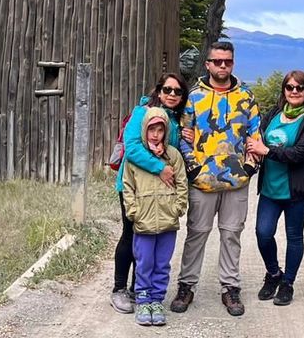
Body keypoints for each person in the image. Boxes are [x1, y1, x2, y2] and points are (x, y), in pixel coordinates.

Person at [171, 40, 261, 317]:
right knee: (196, 234)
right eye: (217, 61)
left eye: (228, 61)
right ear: (208, 64)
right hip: (203, 181)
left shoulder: (246, 97)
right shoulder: (194, 97)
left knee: (231, 235)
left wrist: (248, 167)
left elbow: (254, 137)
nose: (223, 65)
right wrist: (194, 168)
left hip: (236, 182)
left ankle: (230, 287)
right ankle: (186, 285)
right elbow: (183, 136)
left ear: (233, 63)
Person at [111, 73, 189, 314]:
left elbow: (172, 153)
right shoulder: (141, 112)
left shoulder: (174, 121)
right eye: (168, 89)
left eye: (178, 91)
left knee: (150, 243)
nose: (172, 94)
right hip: (135, 187)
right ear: (159, 90)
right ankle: (120, 289)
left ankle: (140, 288)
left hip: (161, 193)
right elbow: (132, 148)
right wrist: (160, 169)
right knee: (131, 235)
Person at [245, 70, 304, 306]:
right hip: (270, 188)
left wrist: (266, 151)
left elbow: (299, 154)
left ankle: (287, 283)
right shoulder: (274, 115)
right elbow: (255, 138)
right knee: (263, 233)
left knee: (294, 236)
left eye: (300, 88)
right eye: (290, 87)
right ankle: (273, 273)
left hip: (296, 191)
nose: (294, 91)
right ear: (284, 91)